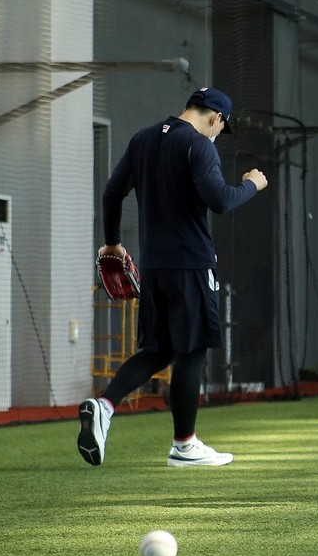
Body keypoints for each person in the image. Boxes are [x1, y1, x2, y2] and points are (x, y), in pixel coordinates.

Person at [77, 87, 268, 467]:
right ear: (215, 118)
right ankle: (185, 445)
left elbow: (112, 194)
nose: (217, 134)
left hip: (155, 267)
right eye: (220, 127)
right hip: (192, 265)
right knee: (191, 350)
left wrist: (112, 243)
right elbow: (222, 201)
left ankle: (104, 404)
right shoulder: (199, 146)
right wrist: (253, 184)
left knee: (158, 349)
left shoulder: (143, 139)